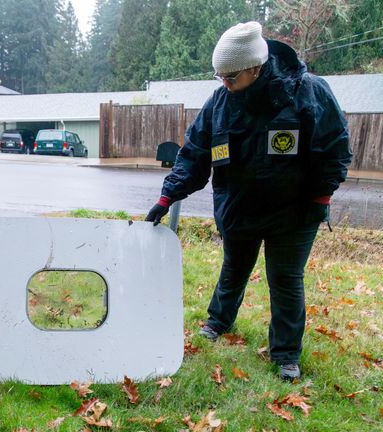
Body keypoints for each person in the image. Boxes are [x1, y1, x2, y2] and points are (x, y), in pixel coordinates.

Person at [145, 22, 352, 381]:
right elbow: (195, 153)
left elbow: (335, 148)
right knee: (234, 268)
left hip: (294, 211)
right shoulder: (220, 103)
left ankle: (286, 354)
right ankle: (218, 322)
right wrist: (168, 195)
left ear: (255, 68)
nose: (224, 84)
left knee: (285, 279)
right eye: (219, 76)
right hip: (239, 207)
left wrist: (321, 195)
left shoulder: (307, 92)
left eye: (231, 77)